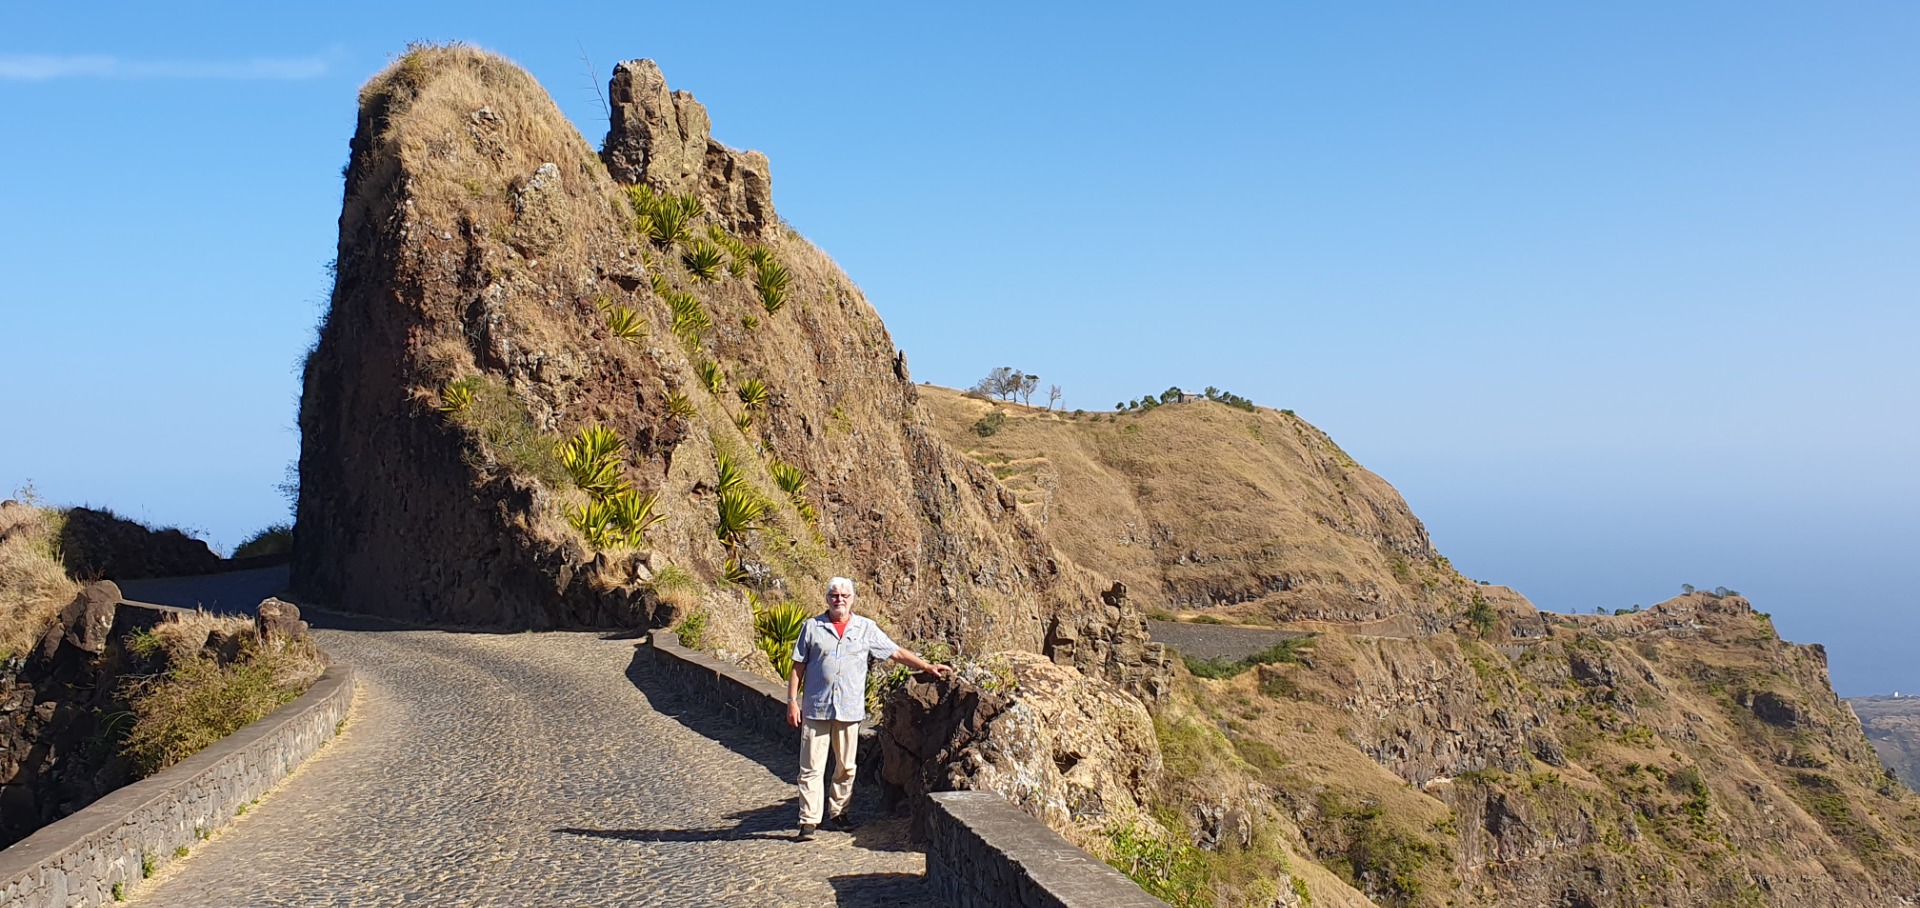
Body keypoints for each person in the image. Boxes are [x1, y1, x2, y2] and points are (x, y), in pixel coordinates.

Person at [786, 576, 949, 840]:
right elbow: (798, 668)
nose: (839, 600)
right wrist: (792, 701)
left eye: (844, 596)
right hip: (816, 707)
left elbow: (895, 652)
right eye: (834, 595)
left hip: (849, 709)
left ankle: (839, 813)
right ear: (827, 598)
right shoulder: (812, 627)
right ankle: (808, 820)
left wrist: (926, 667)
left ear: (852, 599)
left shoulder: (865, 628)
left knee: (846, 766)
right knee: (811, 767)